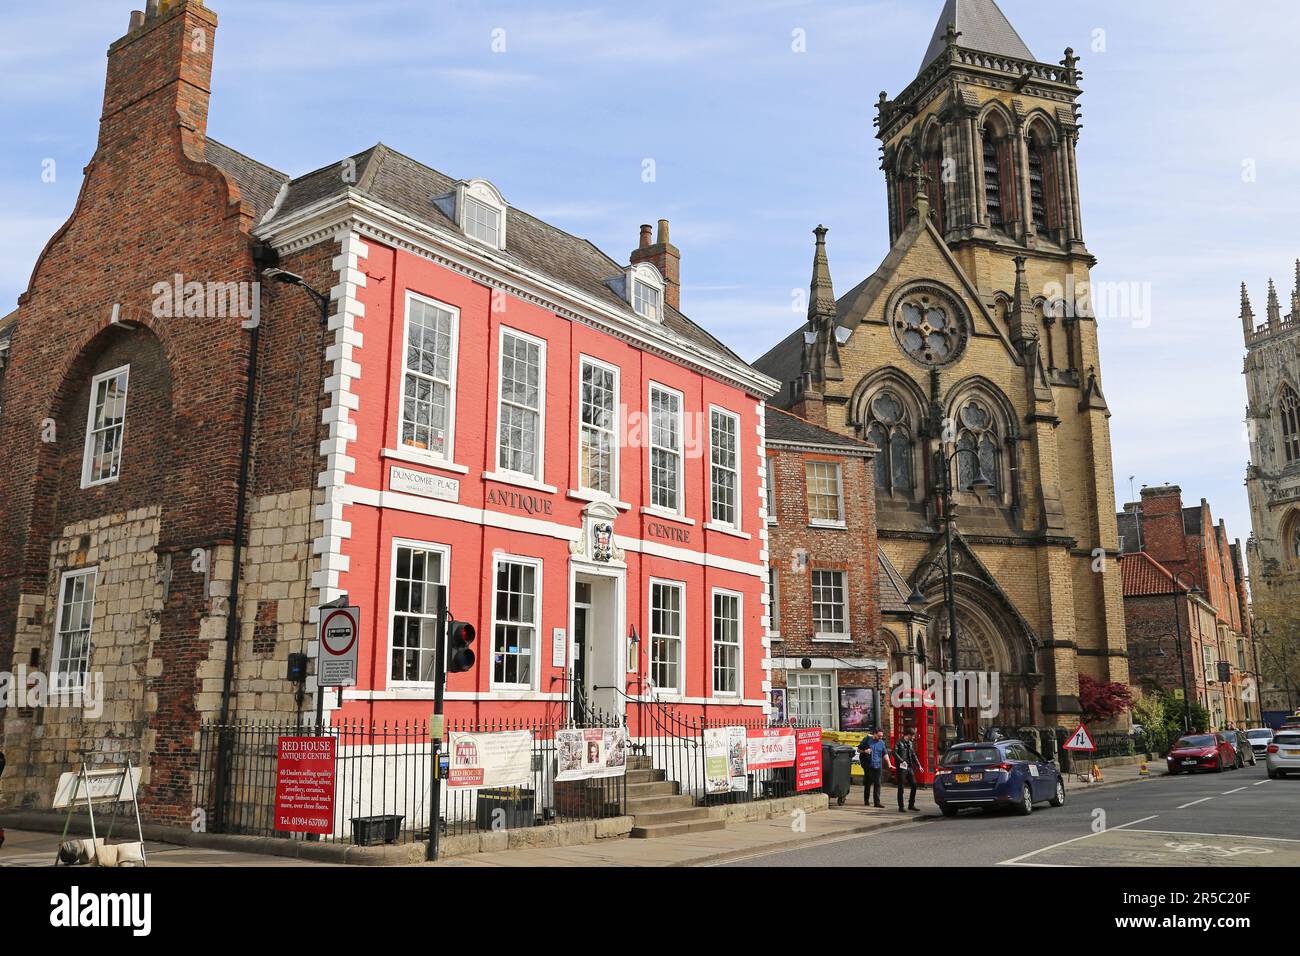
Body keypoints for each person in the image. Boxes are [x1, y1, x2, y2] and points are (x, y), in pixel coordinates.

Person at [894, 729, 924, 812]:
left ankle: (911, 805)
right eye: (913, 735)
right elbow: (894, 752)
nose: (914, 737)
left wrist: (919, 766)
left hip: (909, 767)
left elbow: (913, 755)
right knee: (901, 788)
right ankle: (901, 807)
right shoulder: (899, 742)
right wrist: (901, 760)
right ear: (909, 735)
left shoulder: (910, 743)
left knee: (914, 785)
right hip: (902, 767)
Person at [856, 729, 887, 808]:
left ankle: (877, 802)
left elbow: (885, 753)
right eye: (879, 736)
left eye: (881, 736)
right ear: (875, 734)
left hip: (877, 765)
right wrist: (865, 751)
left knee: (878, 783)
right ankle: (866, 800)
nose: (880, 738)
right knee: (868, 783)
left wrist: (889, 763)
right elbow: (858, 750)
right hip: (868, 765)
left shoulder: (881, 742)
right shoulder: (867, 740)